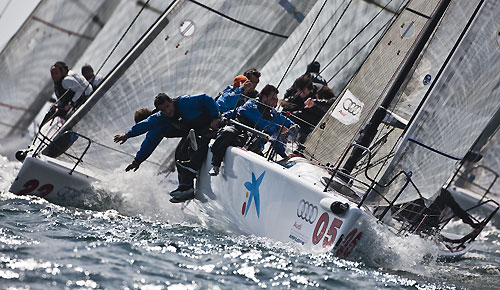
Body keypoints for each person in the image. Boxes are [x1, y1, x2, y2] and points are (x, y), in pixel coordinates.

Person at [114, 93, 220, 202]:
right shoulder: (160, 120)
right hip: (197, 132)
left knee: (183, 152)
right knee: (180, 154)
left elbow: (205, 98)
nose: (167, 111)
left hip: (210, 127)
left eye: (168, 107)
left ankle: (186, 187)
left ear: (170, 101)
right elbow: (148, 138)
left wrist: (215, 117)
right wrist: (135, 156)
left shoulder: (183, 103)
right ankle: (185, 188)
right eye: (163, 110)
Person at [209, 84, 296, 176]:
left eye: (276, 100)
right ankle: (215, 165)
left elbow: (280, 127)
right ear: (264, 97)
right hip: (238, 130)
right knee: (228, 132)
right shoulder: (251, 104)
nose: (275, 103)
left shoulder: (272, 113)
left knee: (262, 158)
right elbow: (258, 120)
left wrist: (292, 126)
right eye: (273, 99)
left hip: (252, 143)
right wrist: (277, 127)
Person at [41, 61, 93, 126]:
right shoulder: (57, 86)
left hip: (78, 103)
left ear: (61, 72)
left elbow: (80, 90)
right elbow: (61, 100)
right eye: (52, 74)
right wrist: (56, 106)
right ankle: (41, 130)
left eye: (56, 73)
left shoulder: (66, 80)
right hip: (67, 107)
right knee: (50, 113)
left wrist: (71, 103)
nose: (54, 75)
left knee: (58, 114)